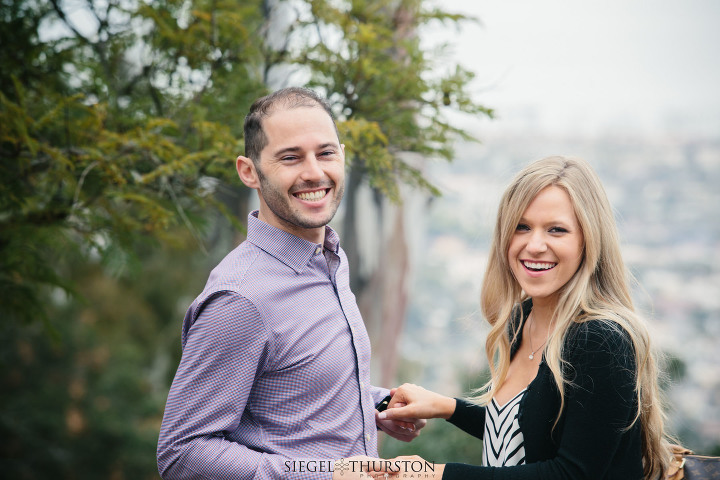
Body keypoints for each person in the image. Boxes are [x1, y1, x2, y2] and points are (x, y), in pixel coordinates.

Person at [157, 87, 424, 480]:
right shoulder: (241, 300)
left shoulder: (326, 258)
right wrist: (330, 474)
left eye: (326, 153)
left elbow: (292, 397)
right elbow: (182, 453)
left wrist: (378, 406)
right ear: (249, 171)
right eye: (290, 157)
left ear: (343, 156)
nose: (315, 172)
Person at [377, 156, 671, 479]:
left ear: (588, 240)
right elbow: (524, 432)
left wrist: (425, 474)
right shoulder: (522, 318)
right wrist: (446, 407)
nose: (534, 245)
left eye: (556, 230)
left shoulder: (601, 340)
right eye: (522, 226)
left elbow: (570, 473)